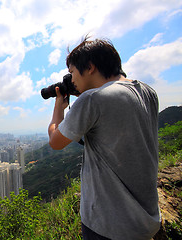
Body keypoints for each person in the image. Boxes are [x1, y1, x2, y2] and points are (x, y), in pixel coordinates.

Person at [48, 37, 161, 240]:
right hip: (146, 220)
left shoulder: (92, 99)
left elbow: (55, 142)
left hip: (107, 224)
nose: (71, 79)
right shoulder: (148, 92)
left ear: (90, 67)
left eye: (72, 71)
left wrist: (59, 108)